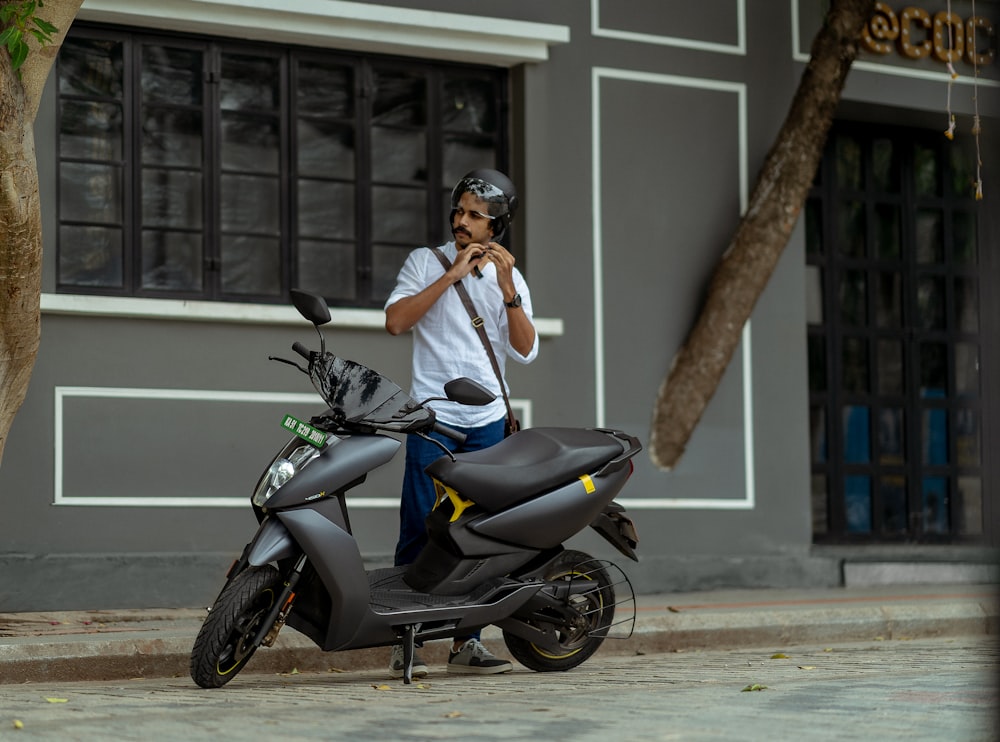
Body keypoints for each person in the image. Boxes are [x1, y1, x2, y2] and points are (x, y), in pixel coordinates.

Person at [383, 169, 538, 677]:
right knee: (420, 526)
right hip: (433, 419)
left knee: (477, 533)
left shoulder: (507, 280)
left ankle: (466, 643)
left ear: (497, 227)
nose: (462, 221)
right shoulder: (424, 262)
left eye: (475, 215)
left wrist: (508, 289)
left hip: (489, 421)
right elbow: (396, 322)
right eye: (459, 211)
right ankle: (408, 642)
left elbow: (527, 349)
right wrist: (450, 275)